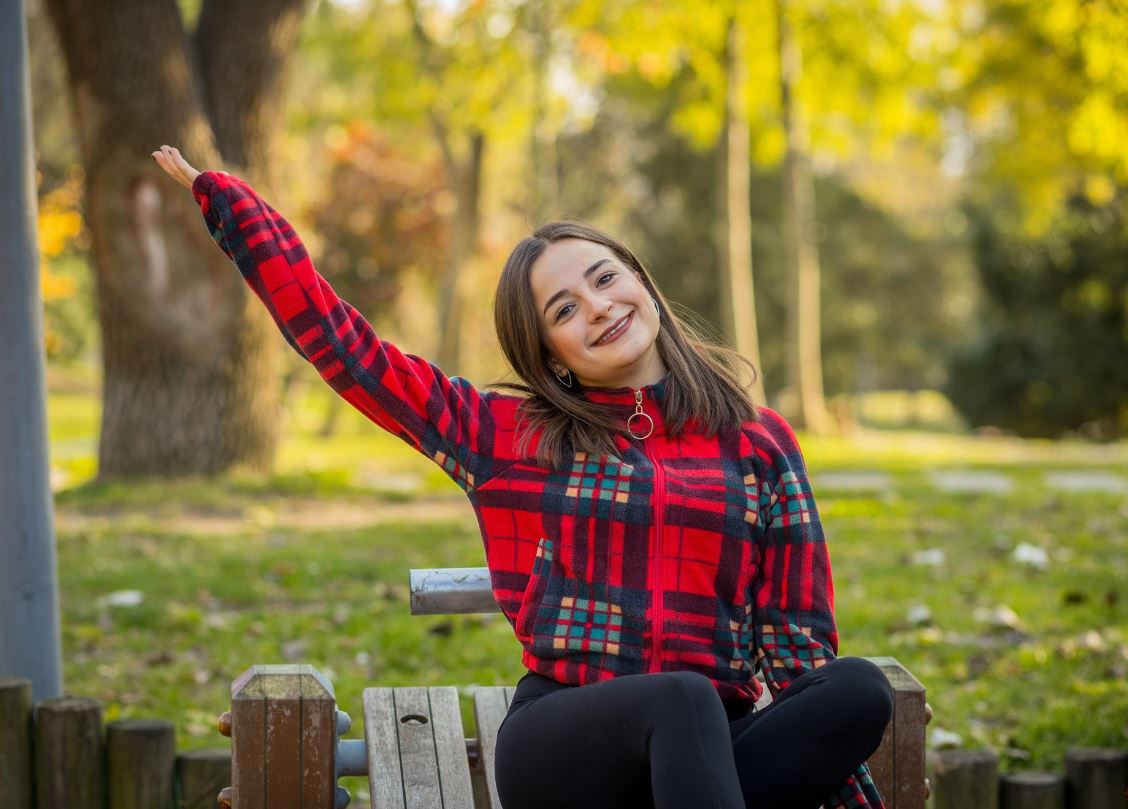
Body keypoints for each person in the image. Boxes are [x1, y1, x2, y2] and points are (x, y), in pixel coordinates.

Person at [152, 144, 894, 809]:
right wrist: (235, 211)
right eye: (565, 310)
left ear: (642, 282)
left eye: (606, 278)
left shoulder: (759, 442)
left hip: (715, 750)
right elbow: (349, 351)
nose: (599, 307)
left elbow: (798, 647)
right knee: (682, 697)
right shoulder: (509, 436)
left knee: (857, 689)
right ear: (551, 356)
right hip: (566, 744)